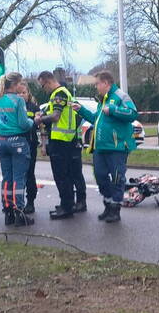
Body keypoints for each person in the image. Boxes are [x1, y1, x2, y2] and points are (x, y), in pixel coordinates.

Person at [70, 71, 138, 223]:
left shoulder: (120, 96)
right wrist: (80, 109)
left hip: (117, 147)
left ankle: (115, 209)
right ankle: (108, 205)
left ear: (106, 83)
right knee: (100, 176)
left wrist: (114, 110)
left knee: (116, 178)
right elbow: (96, 119)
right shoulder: (103, 100)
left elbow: (133, 113)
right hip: (100, 147)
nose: (96, 87)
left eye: (97, 84)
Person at [0, 72, 35, 227]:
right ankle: (19, 213)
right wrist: (33, 121)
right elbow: (23, 124)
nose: (22, 86)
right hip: (18, 142)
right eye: (20, 83)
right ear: (15, 84)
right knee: (19, 179)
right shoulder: (18, 101)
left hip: (2, 142)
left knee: (6, 178)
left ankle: (8, 212)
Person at [38, 71, 86, 219]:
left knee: (61, 175)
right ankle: (67, 203)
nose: (43, 89)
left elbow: (55, 116)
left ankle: (66, 207)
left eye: (42, 86)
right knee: (65, 175)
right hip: (65, 139)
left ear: (48, 81)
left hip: (61, 140)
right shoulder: (63, 93)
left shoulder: (59, 94)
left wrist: (40, 119)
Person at [19, 85, 41, 215]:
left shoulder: (33, 107)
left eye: (24, 92)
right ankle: (16, 202)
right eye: (19, 93)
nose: (21, 95)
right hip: (17, 143)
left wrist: (43, 145)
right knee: (18, 175)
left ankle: (30, 201)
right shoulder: (15, 106)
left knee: (29, 174)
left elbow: (40, 125)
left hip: (31, 144)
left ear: (28, 93)